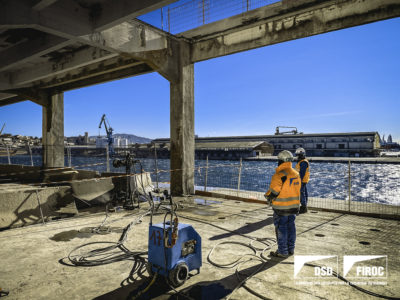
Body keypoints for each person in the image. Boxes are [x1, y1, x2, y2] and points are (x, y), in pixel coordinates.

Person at [265, 150, 301, 258]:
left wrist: (268, 197)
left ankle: (282, 251)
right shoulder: (296, 173)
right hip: (294, 208)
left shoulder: (279, 175)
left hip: (281, 208)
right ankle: (291, 249)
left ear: (281, 161)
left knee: (282, 229)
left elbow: (273, 192)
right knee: (291, 227)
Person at [295, 147, 310, 214]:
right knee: (304, 192)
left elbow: (302, 173)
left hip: (302, 180)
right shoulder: (302, 161)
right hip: (303, 180)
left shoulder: (303, 162)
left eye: (298, 156)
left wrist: (299, 180)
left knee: (301, 193)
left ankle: (303, 207)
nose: (297, 157)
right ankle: (305, 206)